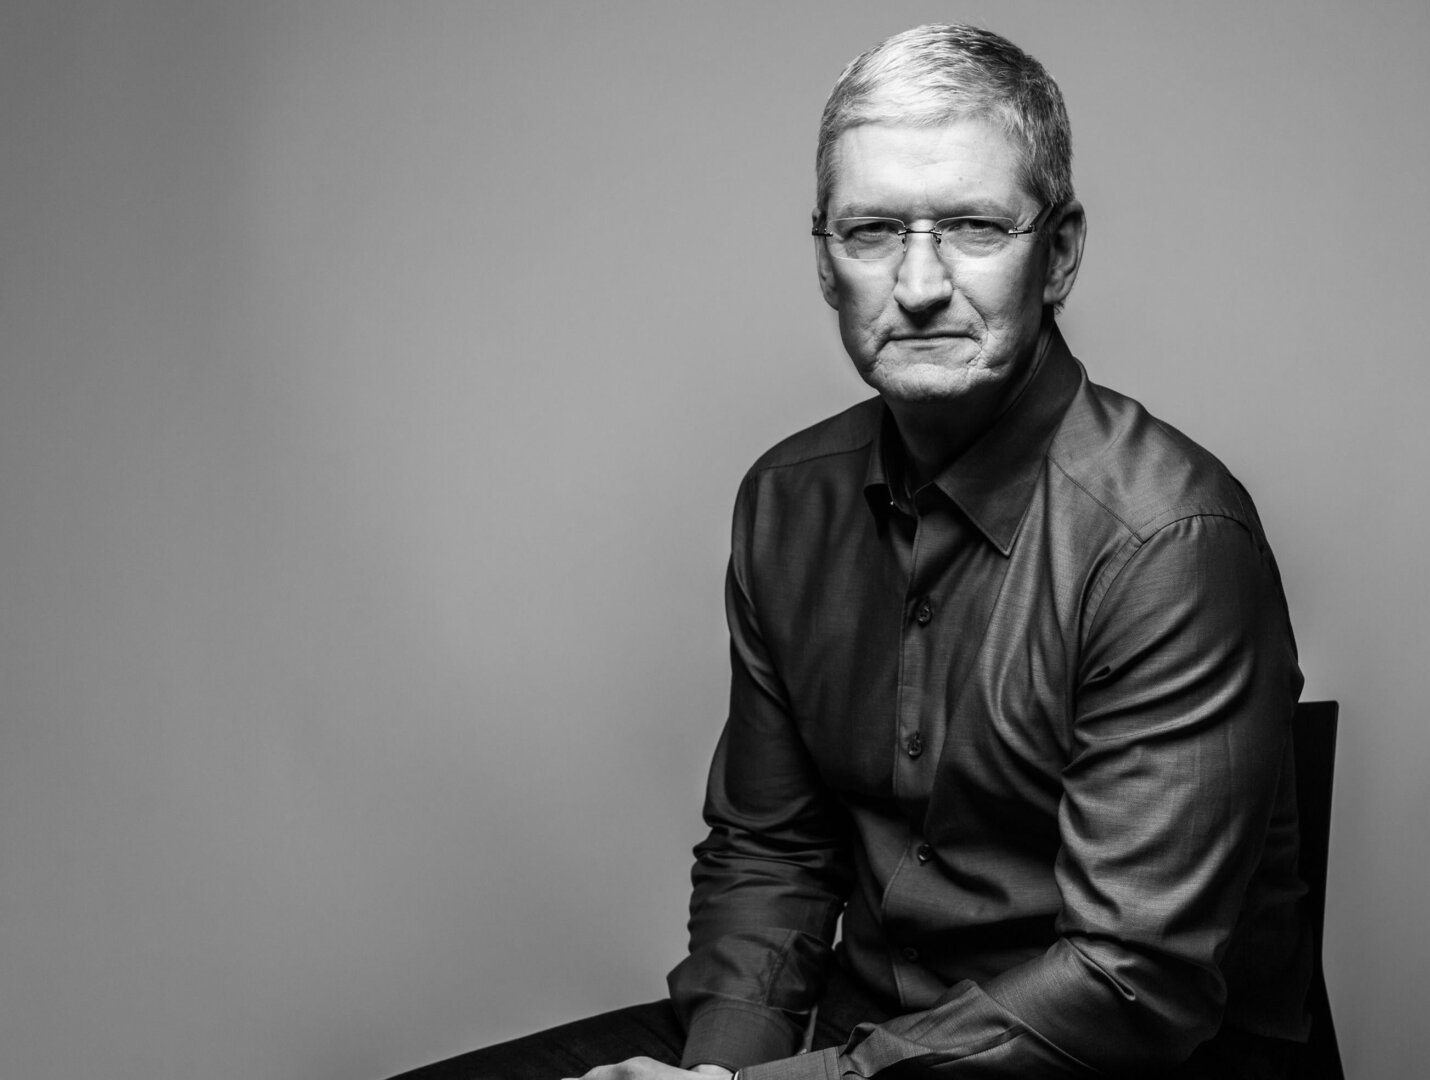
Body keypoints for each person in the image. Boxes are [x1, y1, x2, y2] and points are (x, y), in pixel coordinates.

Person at [393, 23, 1313, 1080]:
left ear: (1057, 255)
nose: (918, 284)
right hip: (852, 1045)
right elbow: (771, 851)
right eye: (872, 231)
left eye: (973, 227)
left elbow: (1129, 984)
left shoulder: (1170, 542)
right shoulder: (788, 505)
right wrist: (720, 1075)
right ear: (826, 263)